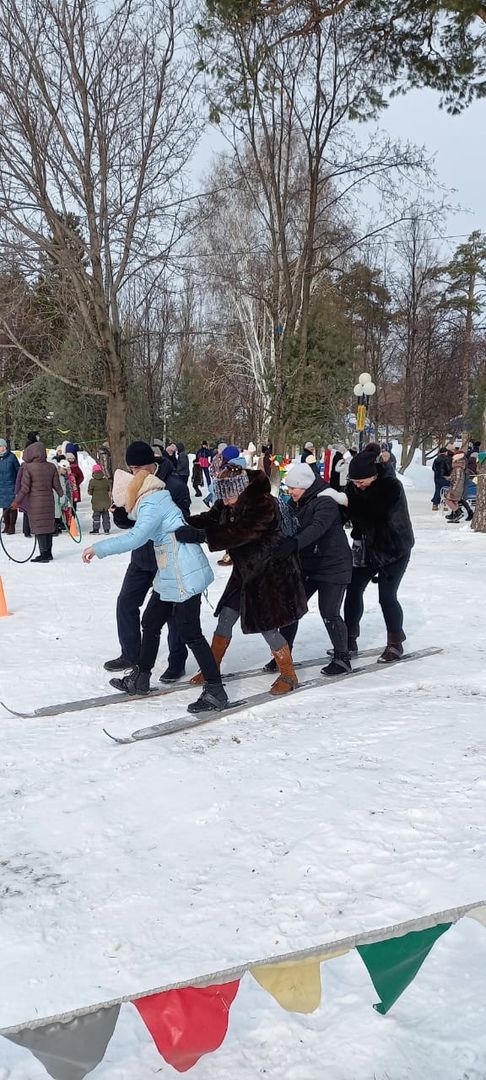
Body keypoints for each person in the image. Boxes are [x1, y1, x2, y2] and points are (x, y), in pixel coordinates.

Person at [82, 469, 228, 713]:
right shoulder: (153, 499)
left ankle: (216, 691)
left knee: (191, 632)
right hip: (169, 570)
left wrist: (98, 548)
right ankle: (140, 677)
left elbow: (135, 538)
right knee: (150, 621)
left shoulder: (151, 503)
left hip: (183, 572)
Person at [176, 463, 308, 695]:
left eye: (230, 498)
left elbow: (243, 532)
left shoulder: (262, 504)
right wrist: (183, 522)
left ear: (242, 490)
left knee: (267, 626)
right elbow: (211, 518)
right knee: (226, 618)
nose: (225, 502)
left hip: (269, 574)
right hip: (244, 573)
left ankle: (288, 674)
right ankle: (211, 668)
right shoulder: (228, 501)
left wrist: (201, 536)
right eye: (223, 498)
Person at [104, 441, 189, 682]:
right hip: (141, 556)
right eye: (131, 468)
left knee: (172, 614)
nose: (135, 473)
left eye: (138, 467)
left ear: (152, 463)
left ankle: (177, 662)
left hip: (167, 559)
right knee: (126, 603)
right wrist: (121, 514)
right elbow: (131, 522)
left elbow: (183, 521)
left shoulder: (174, 484)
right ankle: (130, 653)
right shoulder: (133, 484)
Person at [268, 462, 353, 675]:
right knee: (291, 610)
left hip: (333, 566)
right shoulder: (297, 503)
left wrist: (294, 544)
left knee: (329, 612)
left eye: (293, 488)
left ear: (305, 486)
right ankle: (283, 654)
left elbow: (317, 529)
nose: (290, 491)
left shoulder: (325, 502)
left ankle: (342, 659)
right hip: (309, 566)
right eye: (288, 488)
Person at [343, 449, 415, 662]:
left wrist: (346, 502)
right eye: (354, 481)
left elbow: (372, 513)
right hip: (364, 548)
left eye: (362, 481)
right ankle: (349, 638)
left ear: (374, 474)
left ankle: (395, 642)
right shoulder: (353, 487)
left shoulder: (391, 486)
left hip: (393, 549)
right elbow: (347, 513)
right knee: (353, 590)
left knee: (387, 596)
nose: (357, 485)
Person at [12, 441, 63, 562]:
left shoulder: (28, 468)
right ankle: (49, 553)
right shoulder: (51, 466)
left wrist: (16, 502)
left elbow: (24, 488)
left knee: (39, 527)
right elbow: (57, 485)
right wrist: (63, 496)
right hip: (49, 502)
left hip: (35, 503)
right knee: (48, 527)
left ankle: (43, 554)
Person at [445, 450, 473, 522]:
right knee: (454, 501)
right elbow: (456, 477)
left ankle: (458, 513)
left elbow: (458, 479)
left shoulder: (458, 467)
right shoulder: (458, 467)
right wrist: (450, 478)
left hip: (456, 487)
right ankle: (456, 515)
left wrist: (454, 489)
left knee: (448, 500)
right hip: (457, 487)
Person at [0, 438, 20, 534]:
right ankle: (6, 526)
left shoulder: (12, 457)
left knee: (12, 507)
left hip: (11, 485)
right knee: (4, 507)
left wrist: (17, 484)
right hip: (1, 486)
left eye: (1, 446)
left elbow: (18, 470)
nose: (0, 448)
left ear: (5, 447)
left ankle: (12, 527)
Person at [88, 463, 111, 534]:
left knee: (96, 516)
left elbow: (90, 492)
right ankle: (106, 529)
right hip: (105, 501)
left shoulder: (92, 481)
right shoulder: (105, 480)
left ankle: (96, 529)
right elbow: (108, 488)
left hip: (96, 502)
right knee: (106, 516)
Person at [431, 446, 452, 511]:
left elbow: (433, 468)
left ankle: (435, 504)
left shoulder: (436, 459)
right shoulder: (449, 459)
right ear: (446, 452)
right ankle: (445, 505)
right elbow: (449, 468)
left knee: (438, 490)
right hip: (446, 478)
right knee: (446, 491)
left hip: (437, 477)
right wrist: (448, 476)